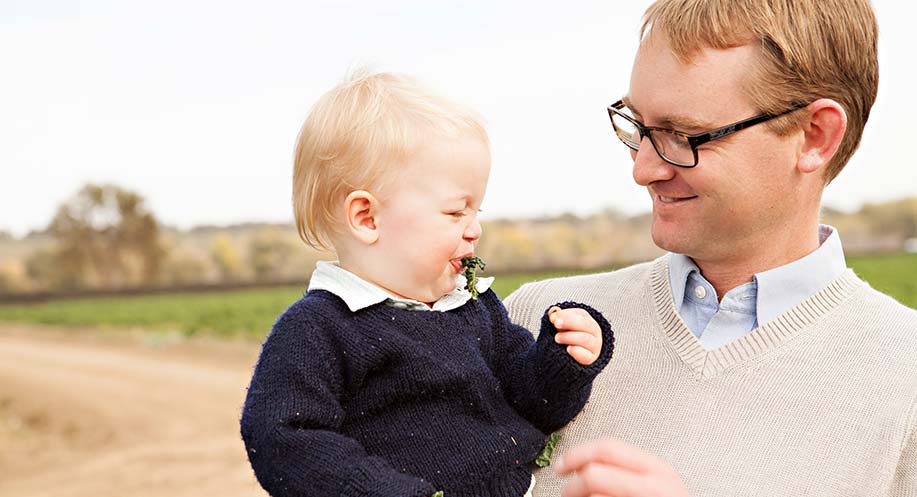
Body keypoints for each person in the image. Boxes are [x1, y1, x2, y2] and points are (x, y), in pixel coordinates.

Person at [504, 0, 917, 496]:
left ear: (815, 136)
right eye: (638, 126)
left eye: (682, 135)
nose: (643, 170)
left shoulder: (905, 376)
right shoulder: (535, 322)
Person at [239, 71, 615, 497]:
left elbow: (532, 403)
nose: (474, 230)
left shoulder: (474, 307)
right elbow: (284, 439)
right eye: (456, 213)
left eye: (477, 212)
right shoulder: (321, 327)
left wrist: (563, 358)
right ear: (367, 218)